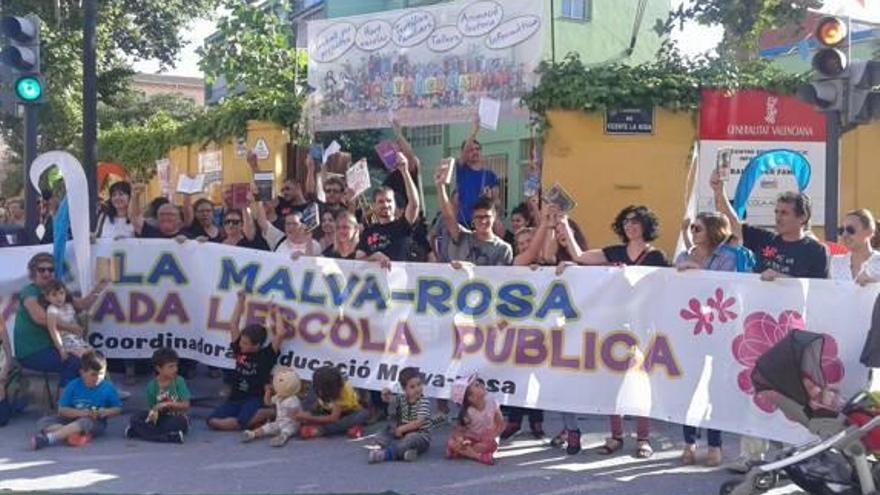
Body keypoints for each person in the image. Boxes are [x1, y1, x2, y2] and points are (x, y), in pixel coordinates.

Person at [560, 205, 668, 459]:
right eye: (626, 222)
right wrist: (564, 225)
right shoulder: (615, 251)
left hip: (644, 325)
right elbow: (581, 256)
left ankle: (643, 438)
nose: (630, 226)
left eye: (636, 221)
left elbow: (668, 284)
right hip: (615, 326)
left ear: (646, 226)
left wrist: (689, 267)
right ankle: (616, 436)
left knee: (642, 382)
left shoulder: (657, 257)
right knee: (613, 382)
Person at [676, 212, 755, 467]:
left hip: (722, 330)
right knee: (688, 386)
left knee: (715, 389)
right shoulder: (683, 256)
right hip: (691, 329)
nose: (693, 232)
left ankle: (715, 444)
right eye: (692, 228)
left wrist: (697, 271)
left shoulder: (727, 256)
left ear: (712, 230)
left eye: (698, 228)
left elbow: (725, 286)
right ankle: (688, 443)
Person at [710, 169, 828, 280]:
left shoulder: (816, 251)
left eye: (784, 213)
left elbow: (818, 290)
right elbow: (732, 222)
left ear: (802, 218)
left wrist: (781, 279)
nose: (778, 218)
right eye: (776, 212)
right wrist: (719, 191)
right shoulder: (764, 238)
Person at [13, 253, 104, 387]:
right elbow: (40, 318)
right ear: (33, 272)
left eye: (50, 269)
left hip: (54, 346)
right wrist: (71, 327)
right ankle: (67, 399)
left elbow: (82, 305)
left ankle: (103, 391)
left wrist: (99, 288)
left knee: (97, 357)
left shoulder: (57, 289)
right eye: (41, 269)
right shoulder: (30, 292)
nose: (46, 273)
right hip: (33, 351)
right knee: (77, 361)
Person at [207, 291, 284, 432]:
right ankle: (259, 416)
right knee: (211, 420)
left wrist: (276, 312)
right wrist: (241, 301)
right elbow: (233, 324)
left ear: (257, 346)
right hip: (236, 397)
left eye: (245, 343)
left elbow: (280, 334)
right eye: (241, 341)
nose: (240, 344)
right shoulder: (239, 349)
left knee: (242, 423)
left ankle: (267, 413)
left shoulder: (266, 355)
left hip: (255, 398)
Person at [31, 350, 122, 449]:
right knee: (43, 422)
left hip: (94, 421)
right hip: (72, 418)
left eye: (101, 374)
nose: (98, 378)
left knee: (85, 422)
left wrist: (106, 411)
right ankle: (72, 434)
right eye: (93, 374)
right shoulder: (73, 385)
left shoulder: (108, 387)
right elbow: (62, 410)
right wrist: (83, 413)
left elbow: (118, 408)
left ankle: (49, 438)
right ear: (82, 372)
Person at [435, 160, 512, 267]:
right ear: (473, 219)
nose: (483, 221)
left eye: (486, 216)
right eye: (479, 217)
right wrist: (440, 186)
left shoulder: (503, 249)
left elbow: (499, 279)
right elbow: (449, 217)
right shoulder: (463, 237)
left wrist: (470, 268)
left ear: (494, 217)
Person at [356, 153, 420, 264]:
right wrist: (374, 257)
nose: (385, 205)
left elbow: (414, 204)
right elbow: (357, 262)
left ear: (395, 204)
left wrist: (405, 172)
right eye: (381, 202)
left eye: (389, 201)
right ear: (374, 205)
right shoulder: (368, 232)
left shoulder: (403, 226)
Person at [125, 347, 190, 443]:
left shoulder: (179, 381)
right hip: (160, 418)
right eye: (170, 367)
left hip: (176, 417)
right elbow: (151, 408)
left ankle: (138, 432)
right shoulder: (152, 385)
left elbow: (185, 405)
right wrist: (154, 412)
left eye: (176, 366)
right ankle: (169, 437)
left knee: (177, 423)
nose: (175, 369)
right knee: (135, 418)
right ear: (158, 368)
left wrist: (168, 404)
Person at [369, 367, 434, 463]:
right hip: (402, 434)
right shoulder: (402, 398)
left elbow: (418, 423)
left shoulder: (423, 402)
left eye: (419, 385)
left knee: (411, 439)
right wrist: (385, 393)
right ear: (404, 389)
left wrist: (401, 429)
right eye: (412, 387)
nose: (417, 389)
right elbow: (387, 399)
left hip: (420, 436)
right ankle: (401, 452)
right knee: (385, 431)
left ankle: (385, 454)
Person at [295, 365, 369, 439]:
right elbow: (316, 401)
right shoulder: (318, 386)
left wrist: (310, 418)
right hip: (325, 409)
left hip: (347, 413)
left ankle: (322, 429)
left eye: (321, 389)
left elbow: (333, 418)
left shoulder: (343, 393)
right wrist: (307, 413)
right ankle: (310, 421)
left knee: (362, 415)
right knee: (310, 400)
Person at [446, 375, 504, 465]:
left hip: (486, 438)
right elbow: (459, 431)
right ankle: (478, 456)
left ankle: (462, 452)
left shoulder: (492, 403)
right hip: (470, 438)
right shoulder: (467, 413)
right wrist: (460, 439)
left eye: (479, 383)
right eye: (476, 385)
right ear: (471, 398)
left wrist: (493, 435)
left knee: (489, 445)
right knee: (453, 442)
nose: (481, 384)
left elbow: (500, 423)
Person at [42, 279, 106, 359]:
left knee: (94, 355)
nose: (59, 297)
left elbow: (82, 308)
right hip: (66, 340)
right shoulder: (52, 309)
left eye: (61, 293)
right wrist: (61, 348)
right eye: (54, 295)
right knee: (85, 357)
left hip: (77, 339)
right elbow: (53, 329)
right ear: (47, 297)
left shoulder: (69, 305)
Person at [455, 115, 500, 228]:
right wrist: (475, 130)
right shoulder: (462, 169)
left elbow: (497, 202)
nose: (474, 152)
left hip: (483, 223)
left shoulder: (490, 175)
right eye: (471, 149)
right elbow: (464, 153)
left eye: (477, 149)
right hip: (464, 221)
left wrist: (489, 198)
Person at [830, 209, 880, 284]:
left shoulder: (877, 262)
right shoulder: (835, 262)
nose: (844, 235)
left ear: (869, 231)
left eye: (850, 230)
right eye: (841, 230)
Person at [256, 208, 321, 258]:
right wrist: (259, 201)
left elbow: (312, 266)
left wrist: (303, 258)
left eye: (295, 224)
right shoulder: (279, 239)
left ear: (303, 226)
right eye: (288, 224)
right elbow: (263, 223)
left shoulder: (314, 244)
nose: (291, 227)